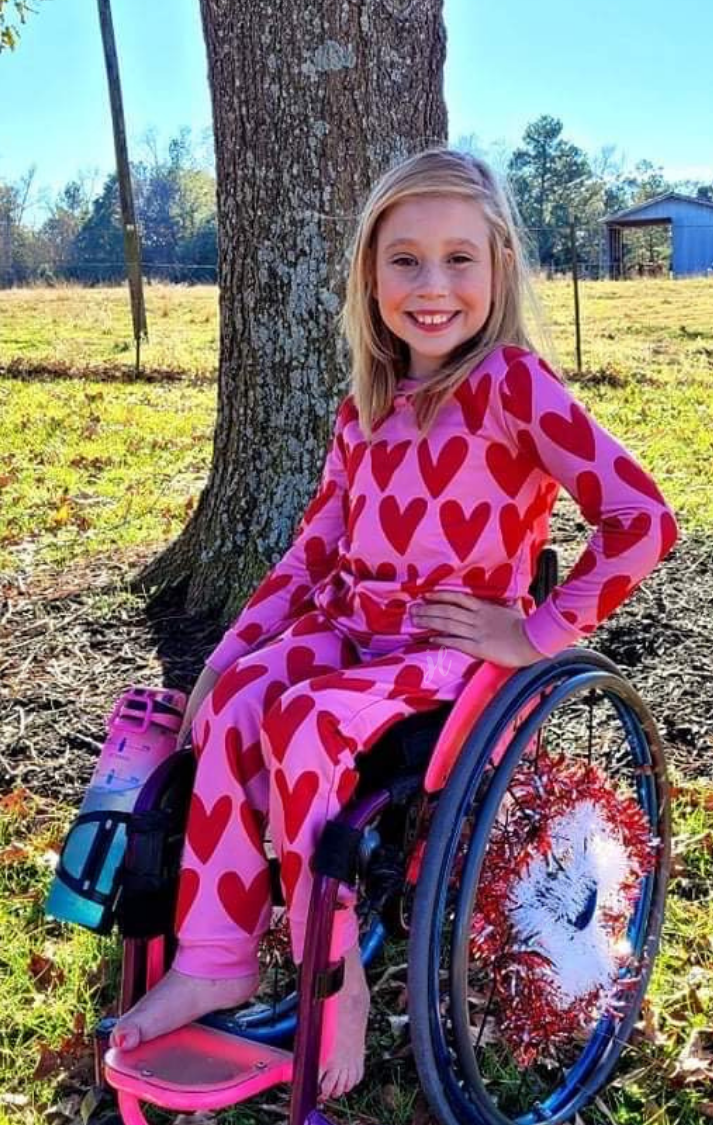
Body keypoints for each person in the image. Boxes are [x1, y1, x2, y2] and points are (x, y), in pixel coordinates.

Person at [110, 148, 679, 1100]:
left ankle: (337, 986)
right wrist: (230, 650)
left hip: (446, 652)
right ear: (369, 276)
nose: (433, 286)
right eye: (405, 260)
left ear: (499, 269)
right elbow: (310, 555)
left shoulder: (513, 386)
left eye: (460, 259)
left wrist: (537, 632)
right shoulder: (363, 407)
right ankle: (216, 956)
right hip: (352, 628)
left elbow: (641, 520)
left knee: (306, 721)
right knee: (240, 700)